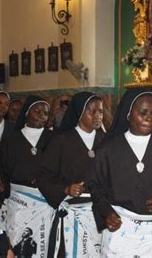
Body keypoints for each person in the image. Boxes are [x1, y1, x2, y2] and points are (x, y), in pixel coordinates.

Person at [89, 89, 152, 257]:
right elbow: (96, 186)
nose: (149, 118)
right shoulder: (109, 149)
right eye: (142, 112)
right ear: (129, 114)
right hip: (122, 231)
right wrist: (106, 212)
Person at [38, 92, 105, 257]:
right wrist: (66, 188)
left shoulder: (107, 141)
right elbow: (44, 175)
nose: (97, 116)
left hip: (101, 212)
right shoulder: (61, 141)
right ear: (78, 112)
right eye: (91, 111)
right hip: (72, 214)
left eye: (100, 111)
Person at [0, 96, 55, 258]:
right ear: (26, 113)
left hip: (46, 202)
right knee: (18, 242)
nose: (42, 115)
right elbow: (0, 170)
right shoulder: (10, 140)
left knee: (46, 244)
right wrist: (0, 185)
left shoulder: (55, 139)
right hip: (19, 202)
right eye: (37, 111)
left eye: (45, 113)